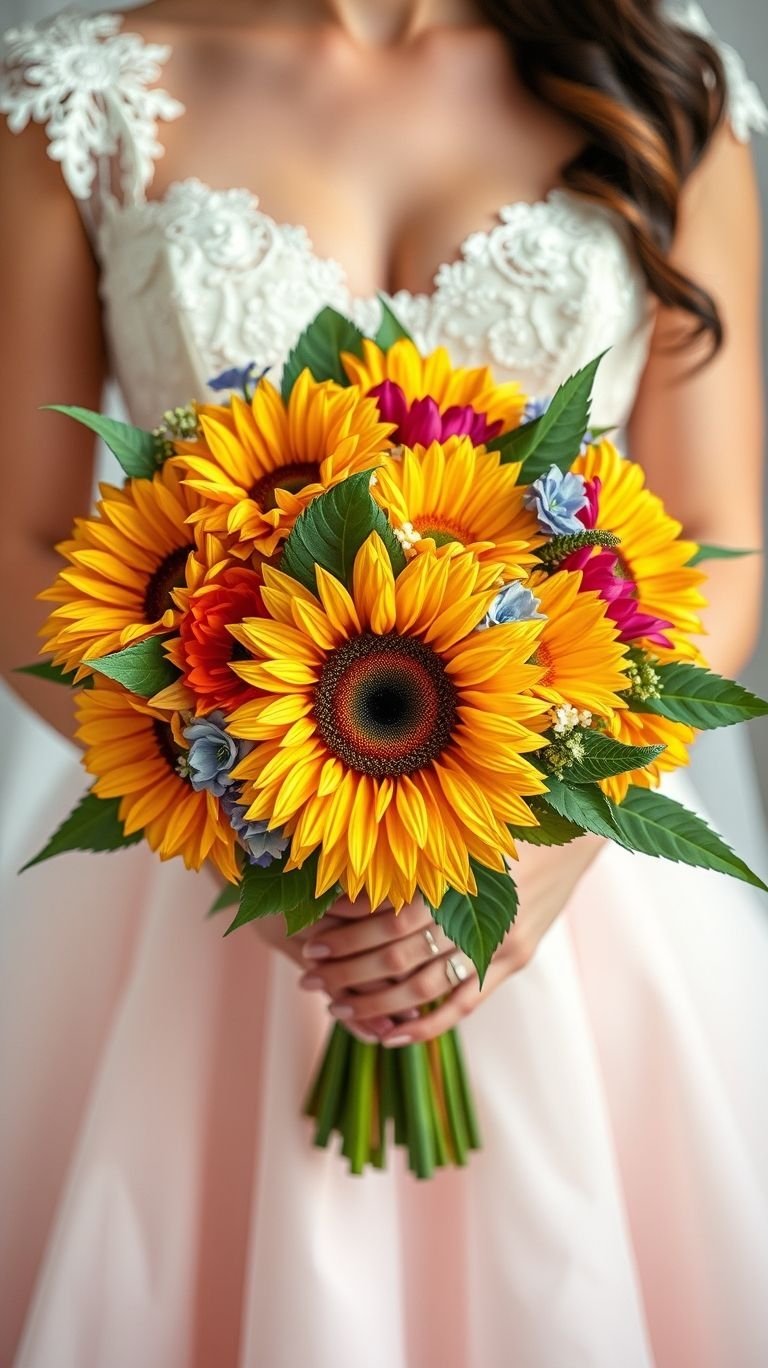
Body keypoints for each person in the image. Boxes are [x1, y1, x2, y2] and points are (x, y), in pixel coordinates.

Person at [1, 1, 767, 1364]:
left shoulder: (660, 88)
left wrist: (544, 853)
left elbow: (714, 531)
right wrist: (252, 815)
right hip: (204, 871)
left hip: (571, 892)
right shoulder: (84, 97)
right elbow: (20, 538)